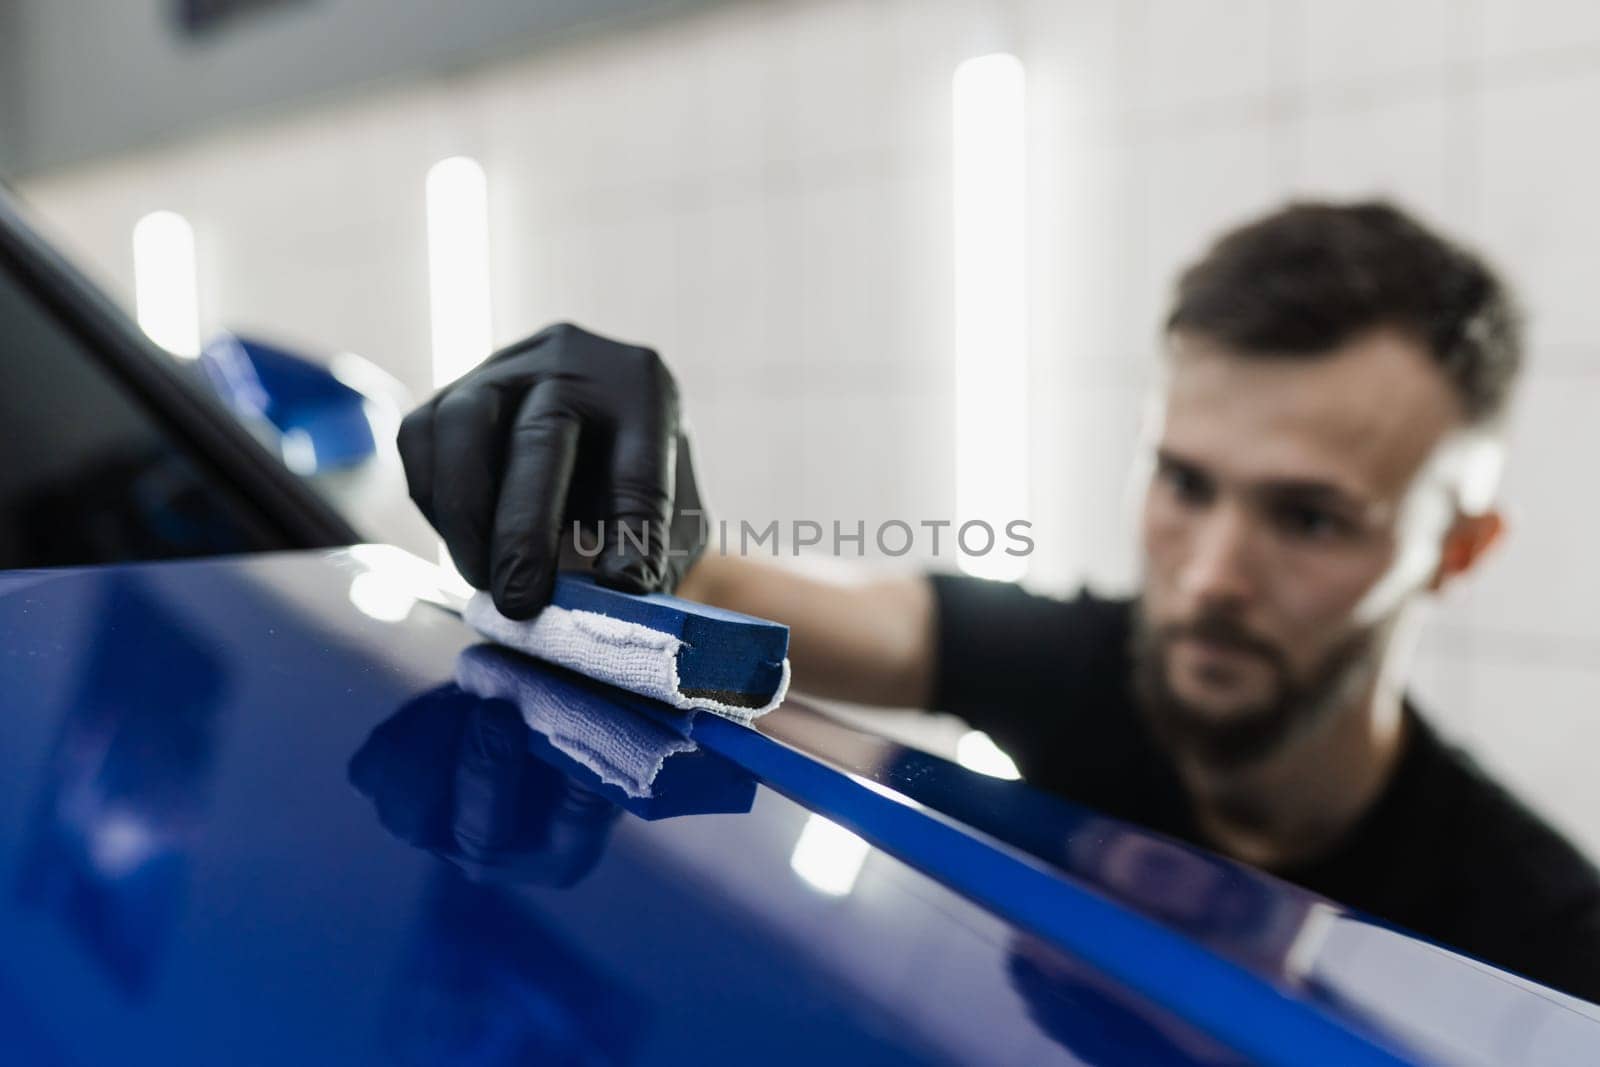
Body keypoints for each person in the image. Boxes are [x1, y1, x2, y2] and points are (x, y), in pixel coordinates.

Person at [396, 200, 1600, 1001]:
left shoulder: (1547, 949)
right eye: (1183, 483)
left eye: (1310, 517)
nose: (1211, 574)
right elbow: (713, 590)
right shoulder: (1082, 660)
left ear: (1459, 546)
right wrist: (610, 511)